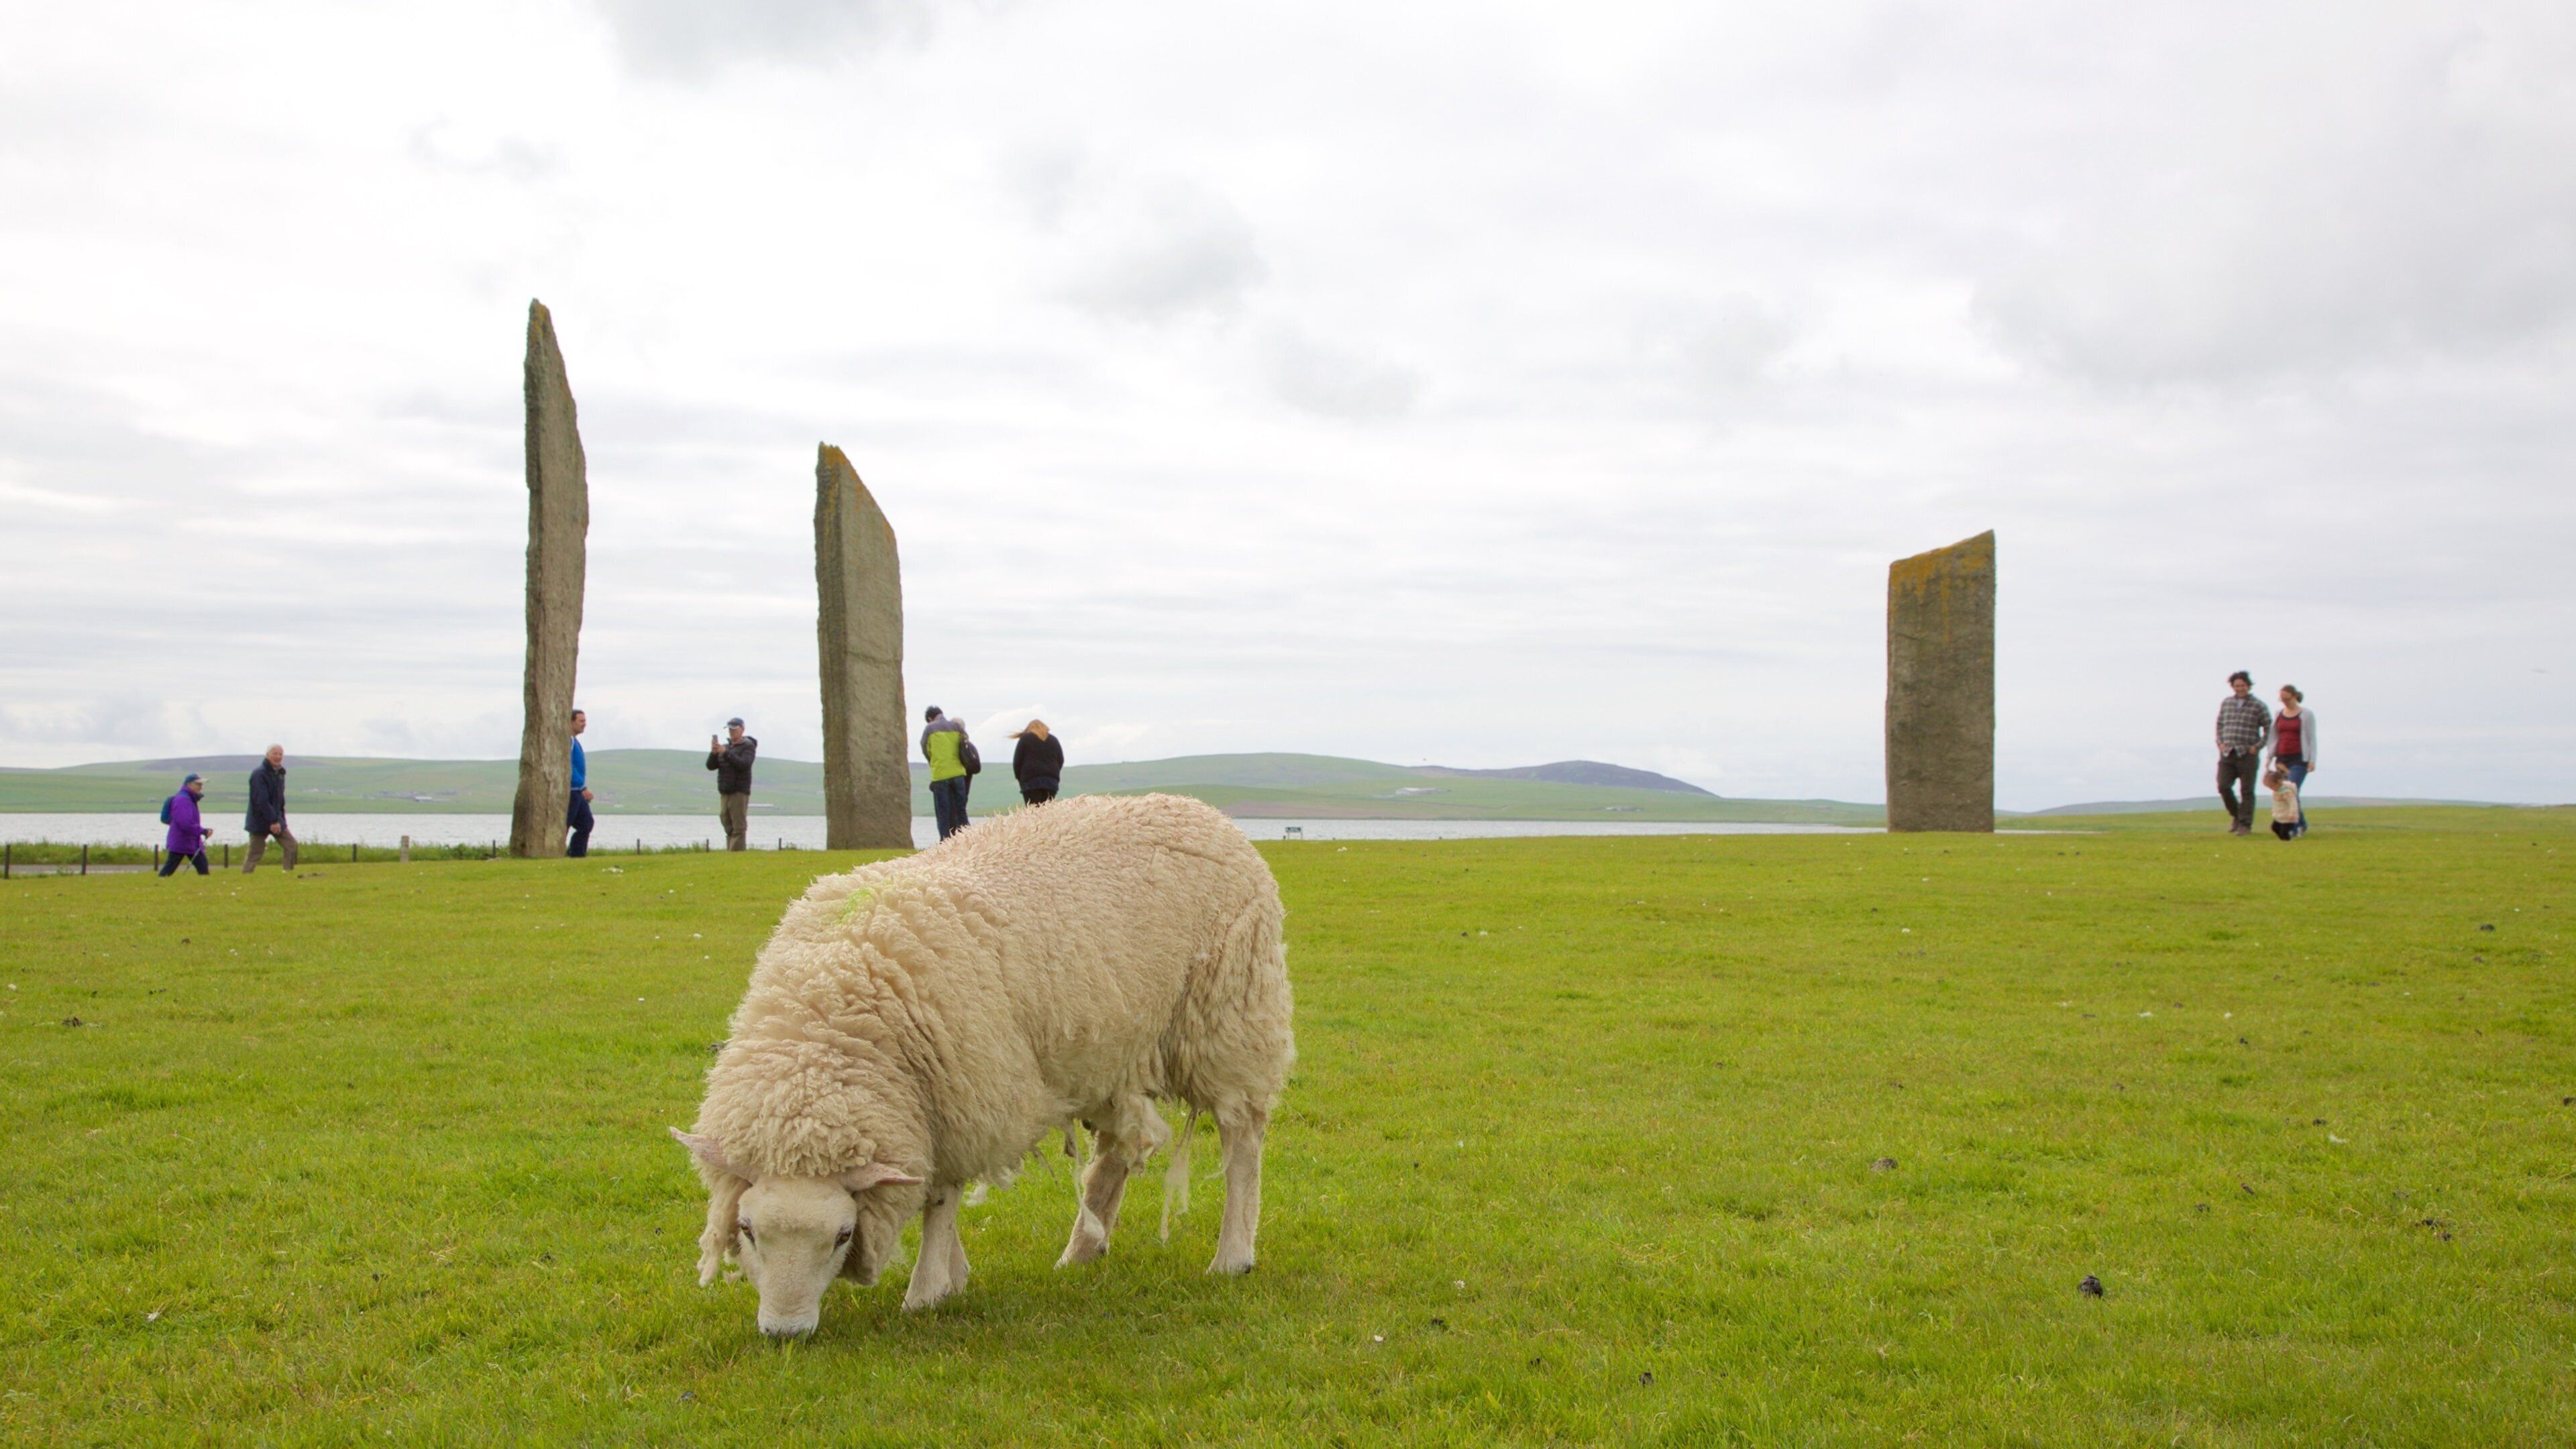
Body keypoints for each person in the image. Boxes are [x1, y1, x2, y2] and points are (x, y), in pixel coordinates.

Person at [2214, 671, 2271, 837]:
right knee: (2223, 786)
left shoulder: (2258, 705)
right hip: (2228, 752)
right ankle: (2237, 815)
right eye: (2237, 686)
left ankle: (2245, 825)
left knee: (2247, 791)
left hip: (2247, 753)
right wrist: (2220, 743)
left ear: (2249, 686)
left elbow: (2269, 728)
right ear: (2232, 687)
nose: (2240, 689)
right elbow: (2220, 724)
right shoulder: (2227, 703)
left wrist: (2258, 746)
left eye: (2243, 686)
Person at [2269, 684, 2317, 838]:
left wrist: (2312, 760)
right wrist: (2270, 757)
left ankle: (2293, 828)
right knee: (2284, 792)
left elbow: (2311, 738)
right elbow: (2274, 736)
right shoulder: (2278, 714)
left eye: (2287, 699)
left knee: (2291, 790)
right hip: (2282, 758)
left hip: (2299, 758)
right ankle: (2301, 824)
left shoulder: (2306, 714)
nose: (2284, 702)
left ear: (2295, 697)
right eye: (2282, 699)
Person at [242, 744, 299, 873]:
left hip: (277, 819)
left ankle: (288, 873)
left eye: (280, 754)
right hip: (260, 819)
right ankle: (246, 875)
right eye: (275, 753)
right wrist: (273, 821)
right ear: (268, 755)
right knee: (255, 851)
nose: (278, 757)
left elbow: (280, 800)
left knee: (291, 845)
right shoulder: (259, 774)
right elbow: (261, 801)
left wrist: (281, 820)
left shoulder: (280, 774)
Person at [921, 706, 973, 840]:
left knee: (943, 812)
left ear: (929, 719)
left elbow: (925, 749)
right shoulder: (956, 727)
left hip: (940, 775)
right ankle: (968, 839)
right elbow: (965, 742)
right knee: (961, 810)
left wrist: (934, 761)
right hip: (958, 773)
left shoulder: (929, 729)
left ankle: (945, 842)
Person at [706, 718, 757, 851]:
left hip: (739, 791)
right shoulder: (726, 747)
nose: (732, 731)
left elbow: (744, 764)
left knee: (738, 825)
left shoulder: (748, 747)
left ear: (742, 729)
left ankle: (737, 854)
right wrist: (714, 753)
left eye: (734, 729)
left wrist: (726, 753)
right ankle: (731, 852)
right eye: (730, 729)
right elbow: (710, 766)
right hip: (725, 791)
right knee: (726, 822)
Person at [159, 772, 213, 876]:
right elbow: (185, 823)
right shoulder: (182, 800)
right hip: (181, 840)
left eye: (202, 785)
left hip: (190, 840)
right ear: (189, 785)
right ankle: (159, 883)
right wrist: (203, 831)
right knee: (170, 867)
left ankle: (205, 884)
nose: (201, 787)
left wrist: (201, 832)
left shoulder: (189, 798)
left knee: (202, 866)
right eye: (198, 784)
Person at [1011, 719, 1063, 806]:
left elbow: (1017, 762)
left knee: (1033, 811)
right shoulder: (1054, 740)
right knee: (1048, 810)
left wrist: (1020, 779)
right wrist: (1053, 774)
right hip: (1051, 782)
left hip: (1030, 782)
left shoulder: (1025, 739)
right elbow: (1061, 760)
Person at [566, 708, 595, 857]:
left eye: (585, 721)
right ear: (571, 722)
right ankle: (557, 852)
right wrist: (583, 787)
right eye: (581, 721)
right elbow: (568, 765)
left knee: (586, 823)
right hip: (573, 790)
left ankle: (577, 854)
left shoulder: (574, 741)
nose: (584, 724)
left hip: (578, 790)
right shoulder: (569, 740)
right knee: (565, 823)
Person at [2263, 761, 2302, 841]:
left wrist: (2293, 814)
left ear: (2279, 782)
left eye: (2272, 786)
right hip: (2280, 816)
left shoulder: (2287, 792)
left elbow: (2293, 803)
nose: (2271, 789)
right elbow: (2276, 804)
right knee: (2275, 828)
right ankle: (2283, 841)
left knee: (2284, 832)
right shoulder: (2277, 792)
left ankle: (2286, 842)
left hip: (2288, 817)